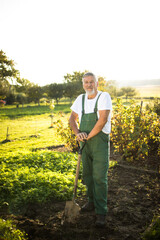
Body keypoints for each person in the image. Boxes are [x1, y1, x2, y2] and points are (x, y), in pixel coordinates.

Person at [69, 72, 112, 227]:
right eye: (86, 82)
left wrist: (87, 136)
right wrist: (78, 133)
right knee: (88, 176)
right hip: (85, 143)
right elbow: (72, 119)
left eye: (91, 82)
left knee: (99, 177)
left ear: (97, 83)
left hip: (99, 141)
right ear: (83, 84)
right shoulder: (80, 99)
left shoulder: (104, 97)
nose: (89, 85)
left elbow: (102, 120)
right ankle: (92, 202)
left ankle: (101, 212)